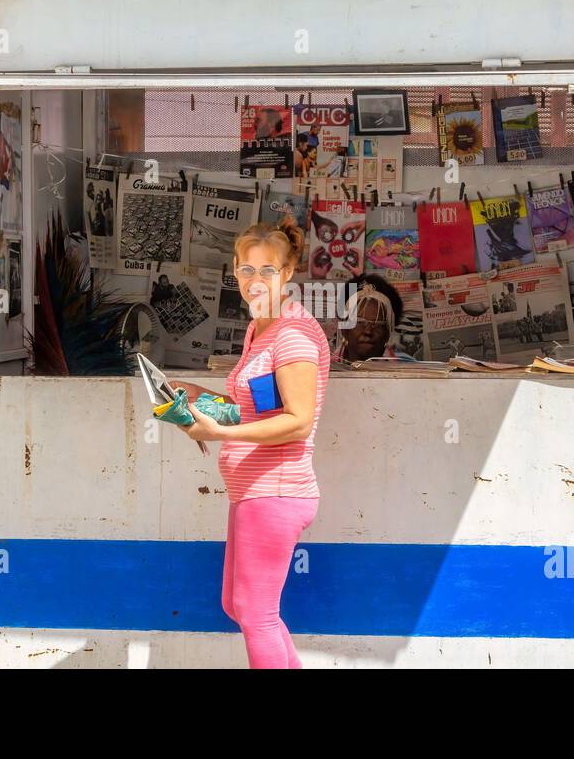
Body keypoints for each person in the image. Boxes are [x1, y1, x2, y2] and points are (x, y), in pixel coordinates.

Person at [170, 214, 327, 669]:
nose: (255, 281)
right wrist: (204, 400)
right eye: (246, 270)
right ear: (234, 271)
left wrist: (220, 432)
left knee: (257, 614)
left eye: (267, 271)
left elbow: (297, 422)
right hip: (252, 492)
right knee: (238, 607)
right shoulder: (260, 329)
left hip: (277, 490)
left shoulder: (293, 335)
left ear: (288, 273)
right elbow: (260, 408)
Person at [334, 274, 404, 363]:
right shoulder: (322, 370)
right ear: (344, 330)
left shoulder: (404, 371)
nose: (368, 331)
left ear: (387, 333)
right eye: (359, 322)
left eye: (378, 323)